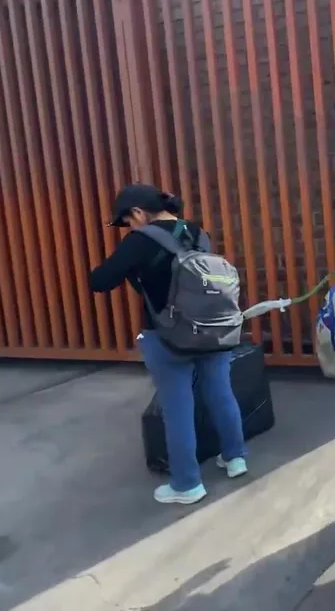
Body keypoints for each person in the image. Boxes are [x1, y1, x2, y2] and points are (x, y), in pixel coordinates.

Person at [90, 183, 248, 505]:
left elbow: (100, 281)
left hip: (167, 337)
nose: (128, 227)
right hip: (213, 330)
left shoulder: (139, 241)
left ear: (138, 212)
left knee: (177, 409)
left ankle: (187, 484)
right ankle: (235, 458)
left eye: (127, 221)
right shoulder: (198, 233)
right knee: (221, 394)